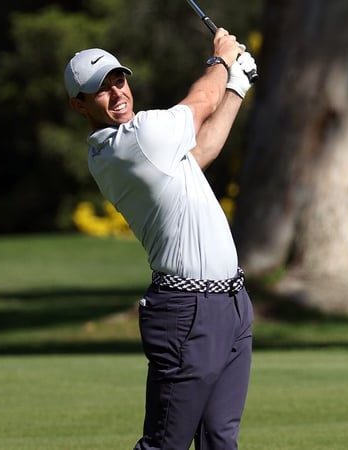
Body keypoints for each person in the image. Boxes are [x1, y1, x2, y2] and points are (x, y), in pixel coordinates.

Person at [64, 28, 257, 449]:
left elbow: (201, 151)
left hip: (231, 305)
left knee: (220, 441)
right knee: (165, 443)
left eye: (119, 80)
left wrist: (238, 86)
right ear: (79, 105)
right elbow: (203, 100)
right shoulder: (136, 140)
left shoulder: (153, 145)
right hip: (187, 312)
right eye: (101, 90)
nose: (117, 94)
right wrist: (222, 58)